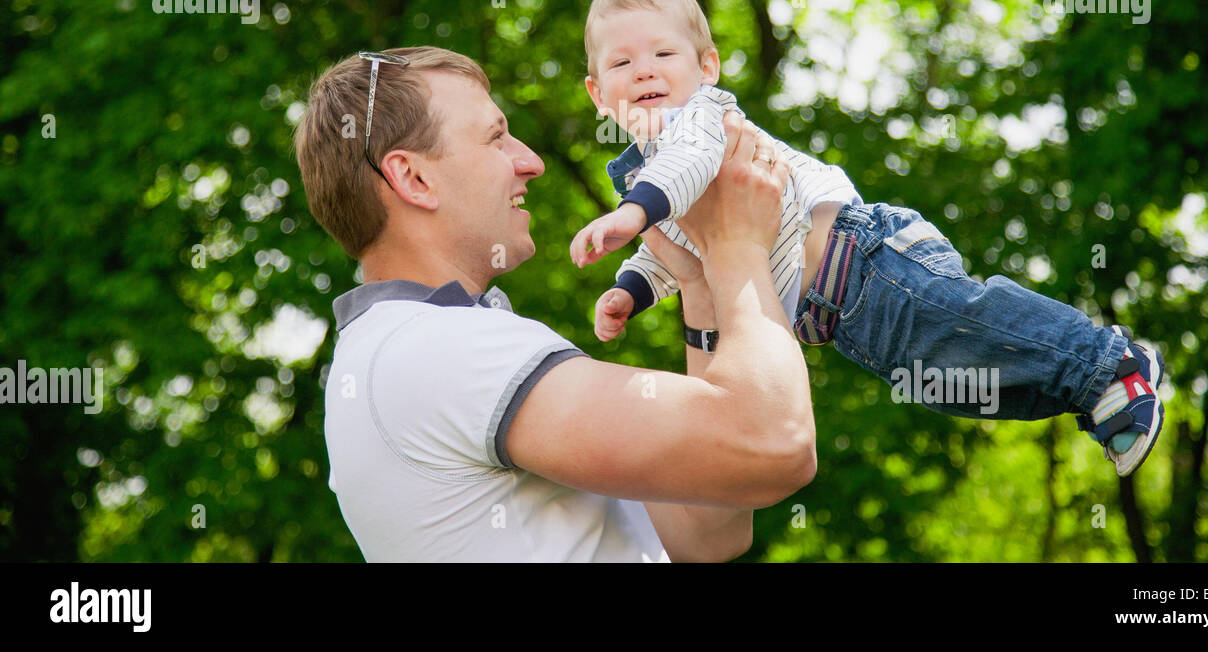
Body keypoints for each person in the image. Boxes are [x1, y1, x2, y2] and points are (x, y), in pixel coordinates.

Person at [570, 0, 1165, 478]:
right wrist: (632, 288)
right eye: (623, 63)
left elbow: (687, 169)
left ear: (707, 68)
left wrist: (631, 213)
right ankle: (1089, 395)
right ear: (599, 93)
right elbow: (679, 249)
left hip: (863, 261)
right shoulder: (647, 181)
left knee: (966, 323)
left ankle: (1108, 364)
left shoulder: (701, 120)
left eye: (663, 55)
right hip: (840, 318)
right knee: (950, 380)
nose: (644, 71)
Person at [294, 46, 816, 561]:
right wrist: (739, 247)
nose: (531, 162)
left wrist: (699, 286)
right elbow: (776, 445)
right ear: (414, 178)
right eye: (496, 138)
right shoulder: (437, 349)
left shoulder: (398, 352)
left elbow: (707, 530)